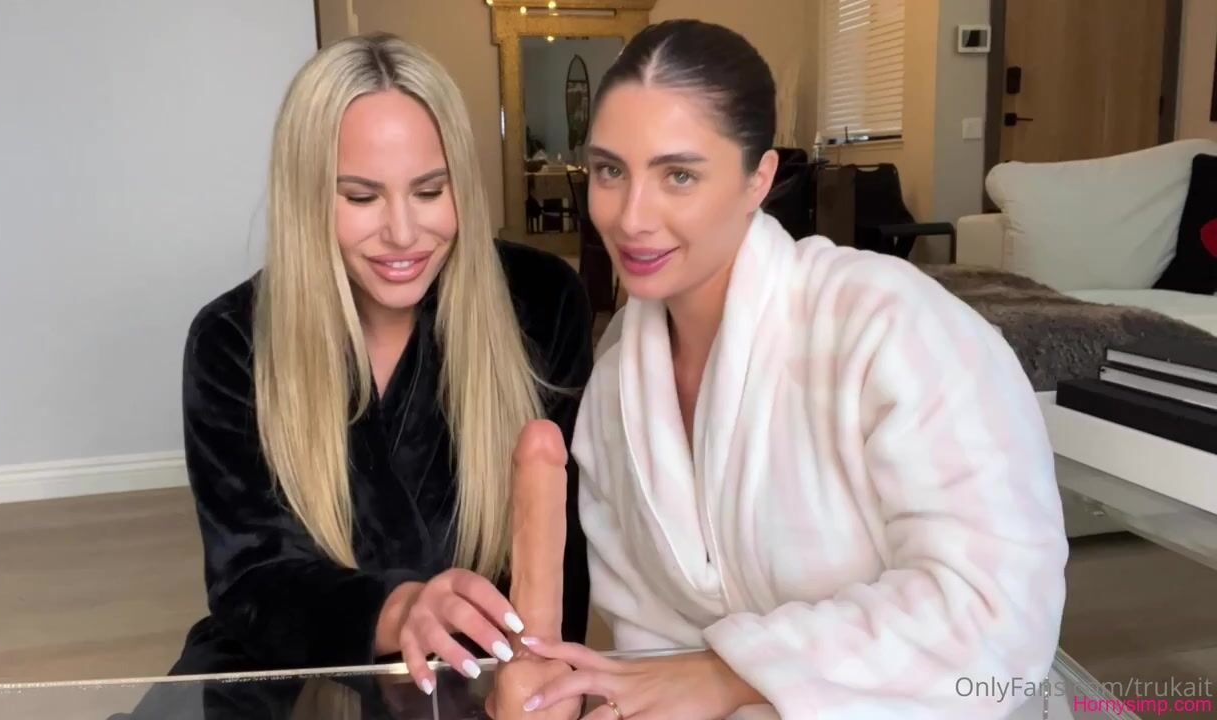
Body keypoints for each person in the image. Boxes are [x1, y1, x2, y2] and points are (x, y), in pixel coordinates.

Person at [518, 19, 1069, 720]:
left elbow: (997, 604)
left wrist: (731, 675)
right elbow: (647, 645)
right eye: (609, 171)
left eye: (679, 174)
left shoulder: (888, 326)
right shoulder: (617, 386)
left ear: (759, 178)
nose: (631, 217)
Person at [169, 32, 593, 694]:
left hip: (482, 669)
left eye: (430, 191)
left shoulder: (540, 303)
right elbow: (250, 578)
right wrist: (396, 610)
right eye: (361, 197)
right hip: (295, 662)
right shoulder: (231, 339)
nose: (401, 233)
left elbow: (557, 558)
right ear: (307, 198)